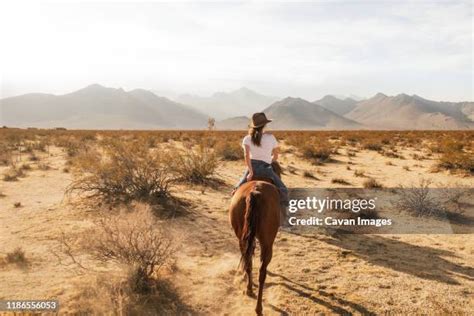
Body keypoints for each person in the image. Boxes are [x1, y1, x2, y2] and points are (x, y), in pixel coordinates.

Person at [232, 112, 289, 207]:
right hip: (266, 169)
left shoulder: (247, 138)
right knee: (283, 190)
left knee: (236, 190)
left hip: (252, 168)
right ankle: (283, 209)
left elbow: (246, 156)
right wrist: (269, 161)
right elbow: (275, 156)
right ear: (265, 125)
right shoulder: (271, 138)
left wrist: (250, 172)